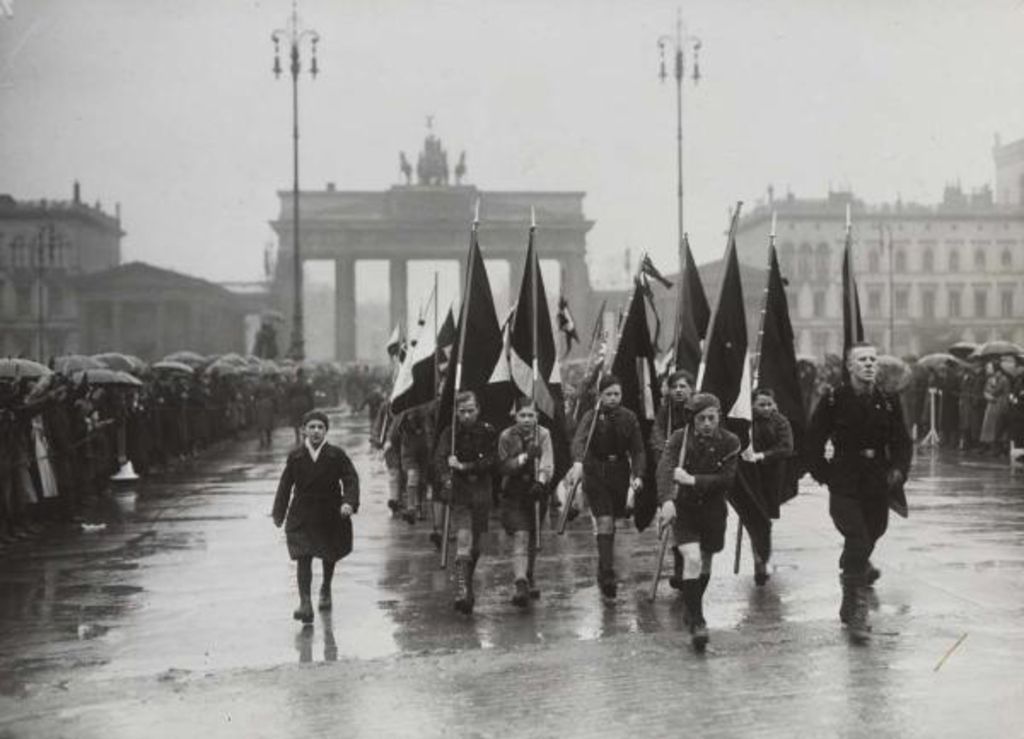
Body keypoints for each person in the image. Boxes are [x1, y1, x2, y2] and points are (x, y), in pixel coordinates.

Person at [805, 342, 911, 642]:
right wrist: (825, 474)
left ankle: (848, 591)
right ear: (849, 366)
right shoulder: (834, 399)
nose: (869, 364)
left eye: (872, 360)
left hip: (877, 481)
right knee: (858, 538)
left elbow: (903, 442)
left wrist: (899, 472)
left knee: (873, 533)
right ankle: (857, 612)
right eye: (862, 360)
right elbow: (813, 440)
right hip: (845, 482)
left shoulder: (888, 400)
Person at [656, 393, 740, 651]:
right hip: (686, 510)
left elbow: (727, 480)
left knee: (705, 562)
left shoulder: (730, 442)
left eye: (711, 418)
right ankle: (698, 622)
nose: (706, 423)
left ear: (719, 417)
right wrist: (667, 500)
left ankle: (692, 609)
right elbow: (665, 469)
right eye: (701, 418)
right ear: (692, 419)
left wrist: (693, 480)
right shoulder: (680, 439)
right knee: (691, 559)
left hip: (714, 510)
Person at [272, 410, 360, 625]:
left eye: (320, 427)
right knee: (303, 556)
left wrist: (348, 502)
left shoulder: (336, 455)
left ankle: (326, 588)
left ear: (326, 430)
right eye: (311, 427)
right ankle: (305, 603)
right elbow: (285, 485)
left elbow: (351, 479)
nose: (316, 431)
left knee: (328, 554)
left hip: (330, 510)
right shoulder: (296, 456)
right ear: (304, 430)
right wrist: (279, 512)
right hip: (302, 511)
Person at [568, 374, 645, 600]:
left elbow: (638, 450)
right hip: (595, 471)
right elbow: (579, 441)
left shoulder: (629, 418)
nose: (612, 398)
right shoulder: (590, 417)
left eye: (616, 394)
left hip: (619, 471)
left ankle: (604, 566)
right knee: (604, 520)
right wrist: (578, 462)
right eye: (608, 394)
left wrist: (638, 474)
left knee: (612, 522)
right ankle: (609, 573)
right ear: (600, 395)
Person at [435, 391, 498, 615]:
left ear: (478, 410)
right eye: (462, 411)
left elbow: (492, 461)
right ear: (456, 412)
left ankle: (467, 582)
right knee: (463, 539)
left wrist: (465, 466)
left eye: (471, 410)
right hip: (460, 492)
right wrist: (447, 477)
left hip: (481, 491)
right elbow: (440, 460)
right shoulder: (449, 434)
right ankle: (462, 590)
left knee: (477, 547)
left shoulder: (488, 432)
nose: (467, 415)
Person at [497, 398, 554, 607]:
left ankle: (529, 575)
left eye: (531, 415)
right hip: (514, 492)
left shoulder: (544, 434)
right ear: (515, 415)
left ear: (537, 416)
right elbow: (504, 466)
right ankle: (520, 582)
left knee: (532, 537)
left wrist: (541, 480)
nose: (527, 419)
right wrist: (524, 458)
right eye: (523, 415)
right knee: (521, 534)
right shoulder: (506, 436)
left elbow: (548, 461)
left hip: (536, 492)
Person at [744, 387, 795, 585]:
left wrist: (763, 455)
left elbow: (786, 447)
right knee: (755, 518)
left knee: (764, 520)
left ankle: (762, 557)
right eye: (761, 405)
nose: (766, 408)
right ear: (752, 406)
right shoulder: (747, 422)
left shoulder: (780, 421)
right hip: (751, 475)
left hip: (772, 477)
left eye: (769, 404)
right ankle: (760, 560)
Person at [650, 369, 695, 590]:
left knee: (688, 522)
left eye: (683, 386)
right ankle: (679, 568)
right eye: (675, 386)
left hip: (691, 471)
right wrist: (666, 451)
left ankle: (688, 569)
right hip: (670, 466)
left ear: (691, 389)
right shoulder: (664, 412)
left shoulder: (697, 411)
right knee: (675, 521)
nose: (678, 390)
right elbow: (656, 435)